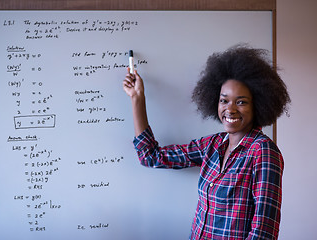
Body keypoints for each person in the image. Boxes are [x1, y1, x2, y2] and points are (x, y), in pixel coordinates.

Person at [122, 44, 290, 240]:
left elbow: (264, 232)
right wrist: (137, 98)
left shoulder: (263, 152)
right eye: (224, 100)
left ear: (259, 104)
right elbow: (150, 156)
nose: (230, 109)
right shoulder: (213, 144)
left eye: (241, 102)